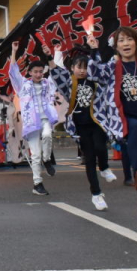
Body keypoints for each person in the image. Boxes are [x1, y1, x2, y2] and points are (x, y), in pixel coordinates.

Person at [86, 21, 137, 235]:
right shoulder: (112, 68)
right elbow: (93, 72)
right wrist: (93, 48)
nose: (125, 43)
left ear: (136, 43)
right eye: (121, 40)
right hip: (123, 120)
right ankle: (135, 170)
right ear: (116, 46)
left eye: (129, 39)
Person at [50, 45, 117, 210]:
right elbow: (56, 73)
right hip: (80, 126)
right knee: (89, 159)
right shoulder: (69, 82)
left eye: (86, 68)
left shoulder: (96, 81)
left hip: (98, 122)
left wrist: (95, 50)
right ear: (72, 68)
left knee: (101, 148)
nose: (82, 71)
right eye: (79, 67)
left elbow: (100, 69)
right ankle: (96, 194)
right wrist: (49, 56)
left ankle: (104, 167)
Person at [6, 42, 58, 196]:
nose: (38, 74)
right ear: (30, 72)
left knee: (48, 135)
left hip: (45, 119)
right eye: (35, 71)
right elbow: (13, 72)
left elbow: (57, 75)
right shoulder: (24, 85)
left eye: (41, 71)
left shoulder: (48, 83)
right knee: (35, 154)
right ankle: (37, 184)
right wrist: (14, 51)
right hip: (31, 122)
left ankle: (47, 159)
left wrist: (51, 55)